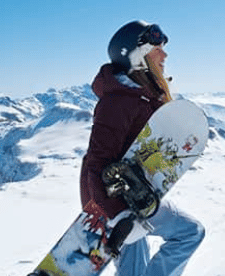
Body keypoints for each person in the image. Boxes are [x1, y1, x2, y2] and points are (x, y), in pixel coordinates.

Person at [80, 20, 205, 276]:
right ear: (138, 56)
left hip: (132, 196)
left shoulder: (143, 96)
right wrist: (117, 216)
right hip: (117, 202)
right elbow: (96, 161)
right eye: (157, 48)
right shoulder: (118, 102)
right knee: (189, 233)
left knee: (133, 269)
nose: (165, 54)